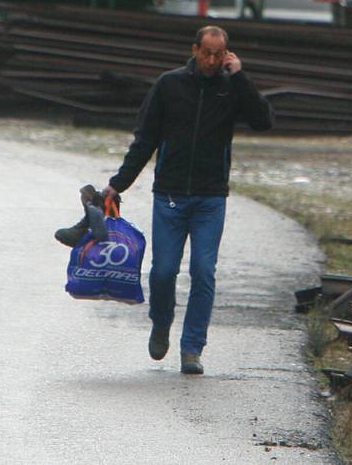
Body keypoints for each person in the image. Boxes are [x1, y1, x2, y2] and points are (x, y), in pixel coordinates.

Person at [103, 25, 274, 375]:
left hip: (210, 198)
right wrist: (118, 184)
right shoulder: (169, 85)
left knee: (203, 272)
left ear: (227, 54)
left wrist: (240, 78)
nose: (211, 61)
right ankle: (161, 321)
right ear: (195, 49)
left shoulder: (231, 89)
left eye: (218, 54)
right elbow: (145, 139)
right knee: (163, 271)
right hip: (169, 196)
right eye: (206, 53)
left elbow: (263, 121)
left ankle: (192, 348)